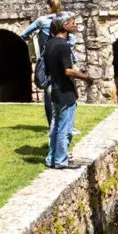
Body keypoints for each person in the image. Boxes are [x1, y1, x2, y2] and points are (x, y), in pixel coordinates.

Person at [44, 14, 91, 170]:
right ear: (64, 26)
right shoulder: (63, 46)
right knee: (65, 128)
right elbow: (68, 71)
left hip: (55, 90)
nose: (75, 24)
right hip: (65, 92)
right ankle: (61, 160)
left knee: (56, 126)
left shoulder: (49, 43)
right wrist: (86, 77)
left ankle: (51, 158)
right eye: (72, 22)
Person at [21, 0, 66, 125]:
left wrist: (35, 41)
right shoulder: (65, 19)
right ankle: (66, 123)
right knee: (65, 89)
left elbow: (23, 34)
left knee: (48, 92)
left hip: (46, 59)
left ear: (49, 6)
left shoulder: (42, 21)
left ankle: (52, 124)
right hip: (62, 58)